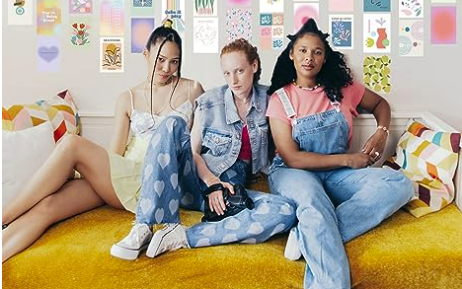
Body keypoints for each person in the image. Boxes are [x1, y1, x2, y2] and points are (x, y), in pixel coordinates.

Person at [2, 20, 204, 263]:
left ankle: (4, 215)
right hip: (124, 177)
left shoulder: (193, 90)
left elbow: (199, 146)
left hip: (159, 181)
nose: (166, 68)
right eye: (160, 59)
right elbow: (116, 154)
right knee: (49, 206)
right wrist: (89, 170)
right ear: (146, 54)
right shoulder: (127, 97)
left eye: (174, 61)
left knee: (70, 144)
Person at [111, 39, 296, 260]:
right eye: (227, 73)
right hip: (195, 182)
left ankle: (182, 236)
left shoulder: (271, 99)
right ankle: (143, 226)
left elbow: (286, 142)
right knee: (172, 123)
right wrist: (211, 182)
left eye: (239, 71)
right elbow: (193, 151)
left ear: (254, 66)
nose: (233, 80)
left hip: (230, 193)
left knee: (285, 210)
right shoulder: (209, 102)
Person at [266, 19, 413, 289]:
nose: (309, 57)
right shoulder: (280, 100)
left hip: (335, 175)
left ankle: (305, 235)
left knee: (399, 184)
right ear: (291, 54)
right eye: (302, 50)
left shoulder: (343, 90)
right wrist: (348, 159)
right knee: (313, 203)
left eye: (317, 52)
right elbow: (292, 157)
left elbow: (380, 103)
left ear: (324, 58)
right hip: (294, 173)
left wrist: (382, 131)